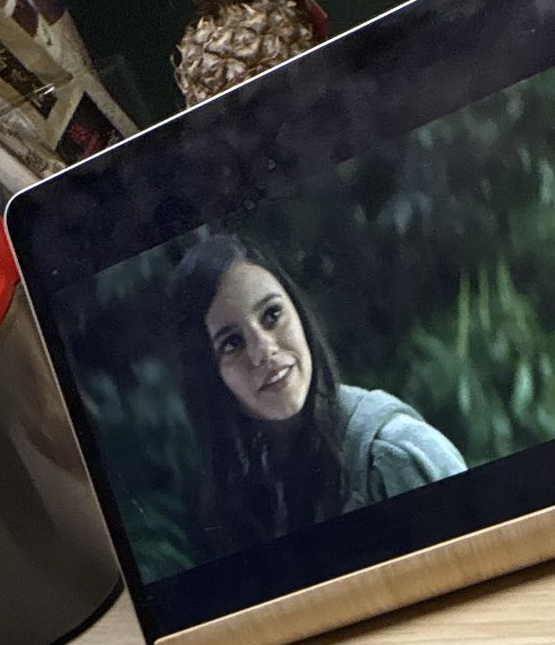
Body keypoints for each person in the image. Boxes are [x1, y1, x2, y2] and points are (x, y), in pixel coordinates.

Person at [171, 231, 466, 556]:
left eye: (272, 315)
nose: (263, 350)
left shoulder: (394, 455)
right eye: (232, 343)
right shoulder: (259, 487)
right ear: (211, 377)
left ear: (300, 316)